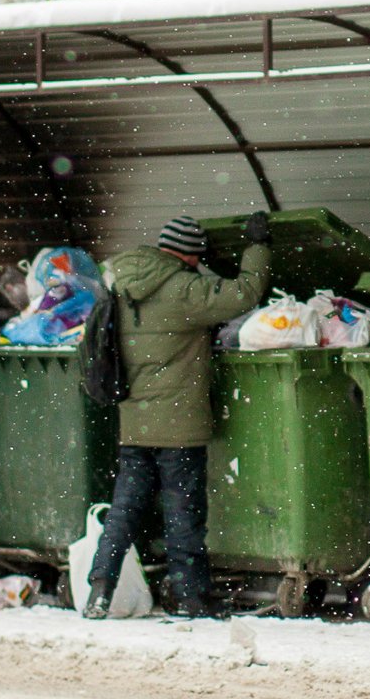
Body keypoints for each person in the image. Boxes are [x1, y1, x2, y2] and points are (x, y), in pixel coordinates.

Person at [83, 212, 271, 619]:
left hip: (135, 420)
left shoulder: (122, 283)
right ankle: (192, 597)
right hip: (178, 423)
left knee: (124, 509)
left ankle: (100, 588)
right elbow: (245, 293)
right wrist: (256, 248)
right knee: (183, 513)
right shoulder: (185, 289)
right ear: (189, 256)